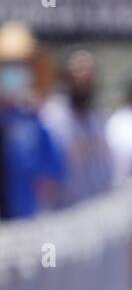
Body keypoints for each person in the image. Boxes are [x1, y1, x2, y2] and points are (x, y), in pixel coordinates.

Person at [0, 22, 64, 221]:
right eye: (8, 65)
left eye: (21, 65)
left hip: (24, 224)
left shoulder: (33, 122)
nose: (15, 72)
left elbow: (52, 177)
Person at [40, 49, 114, 208]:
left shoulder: (98, 119)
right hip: (61, 212)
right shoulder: (51, 117)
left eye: (89, 74)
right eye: (78, 72)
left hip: (96, 211)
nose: (84, 78)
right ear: (66, 78)